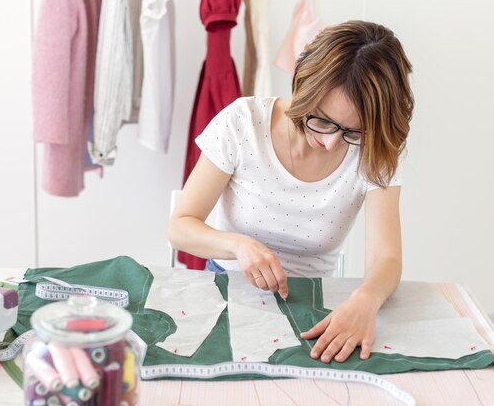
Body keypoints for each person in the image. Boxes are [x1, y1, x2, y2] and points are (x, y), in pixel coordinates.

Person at [168, 20, 413, 364]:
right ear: (301, 83)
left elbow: (386, 258)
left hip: (313, 305)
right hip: (228, 290)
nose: (330, 143)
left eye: (352, 131)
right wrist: (238, 245)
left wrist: (365, 301)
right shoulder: (242, 123)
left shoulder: (374, 149)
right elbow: (179, 226)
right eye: (323, 120)